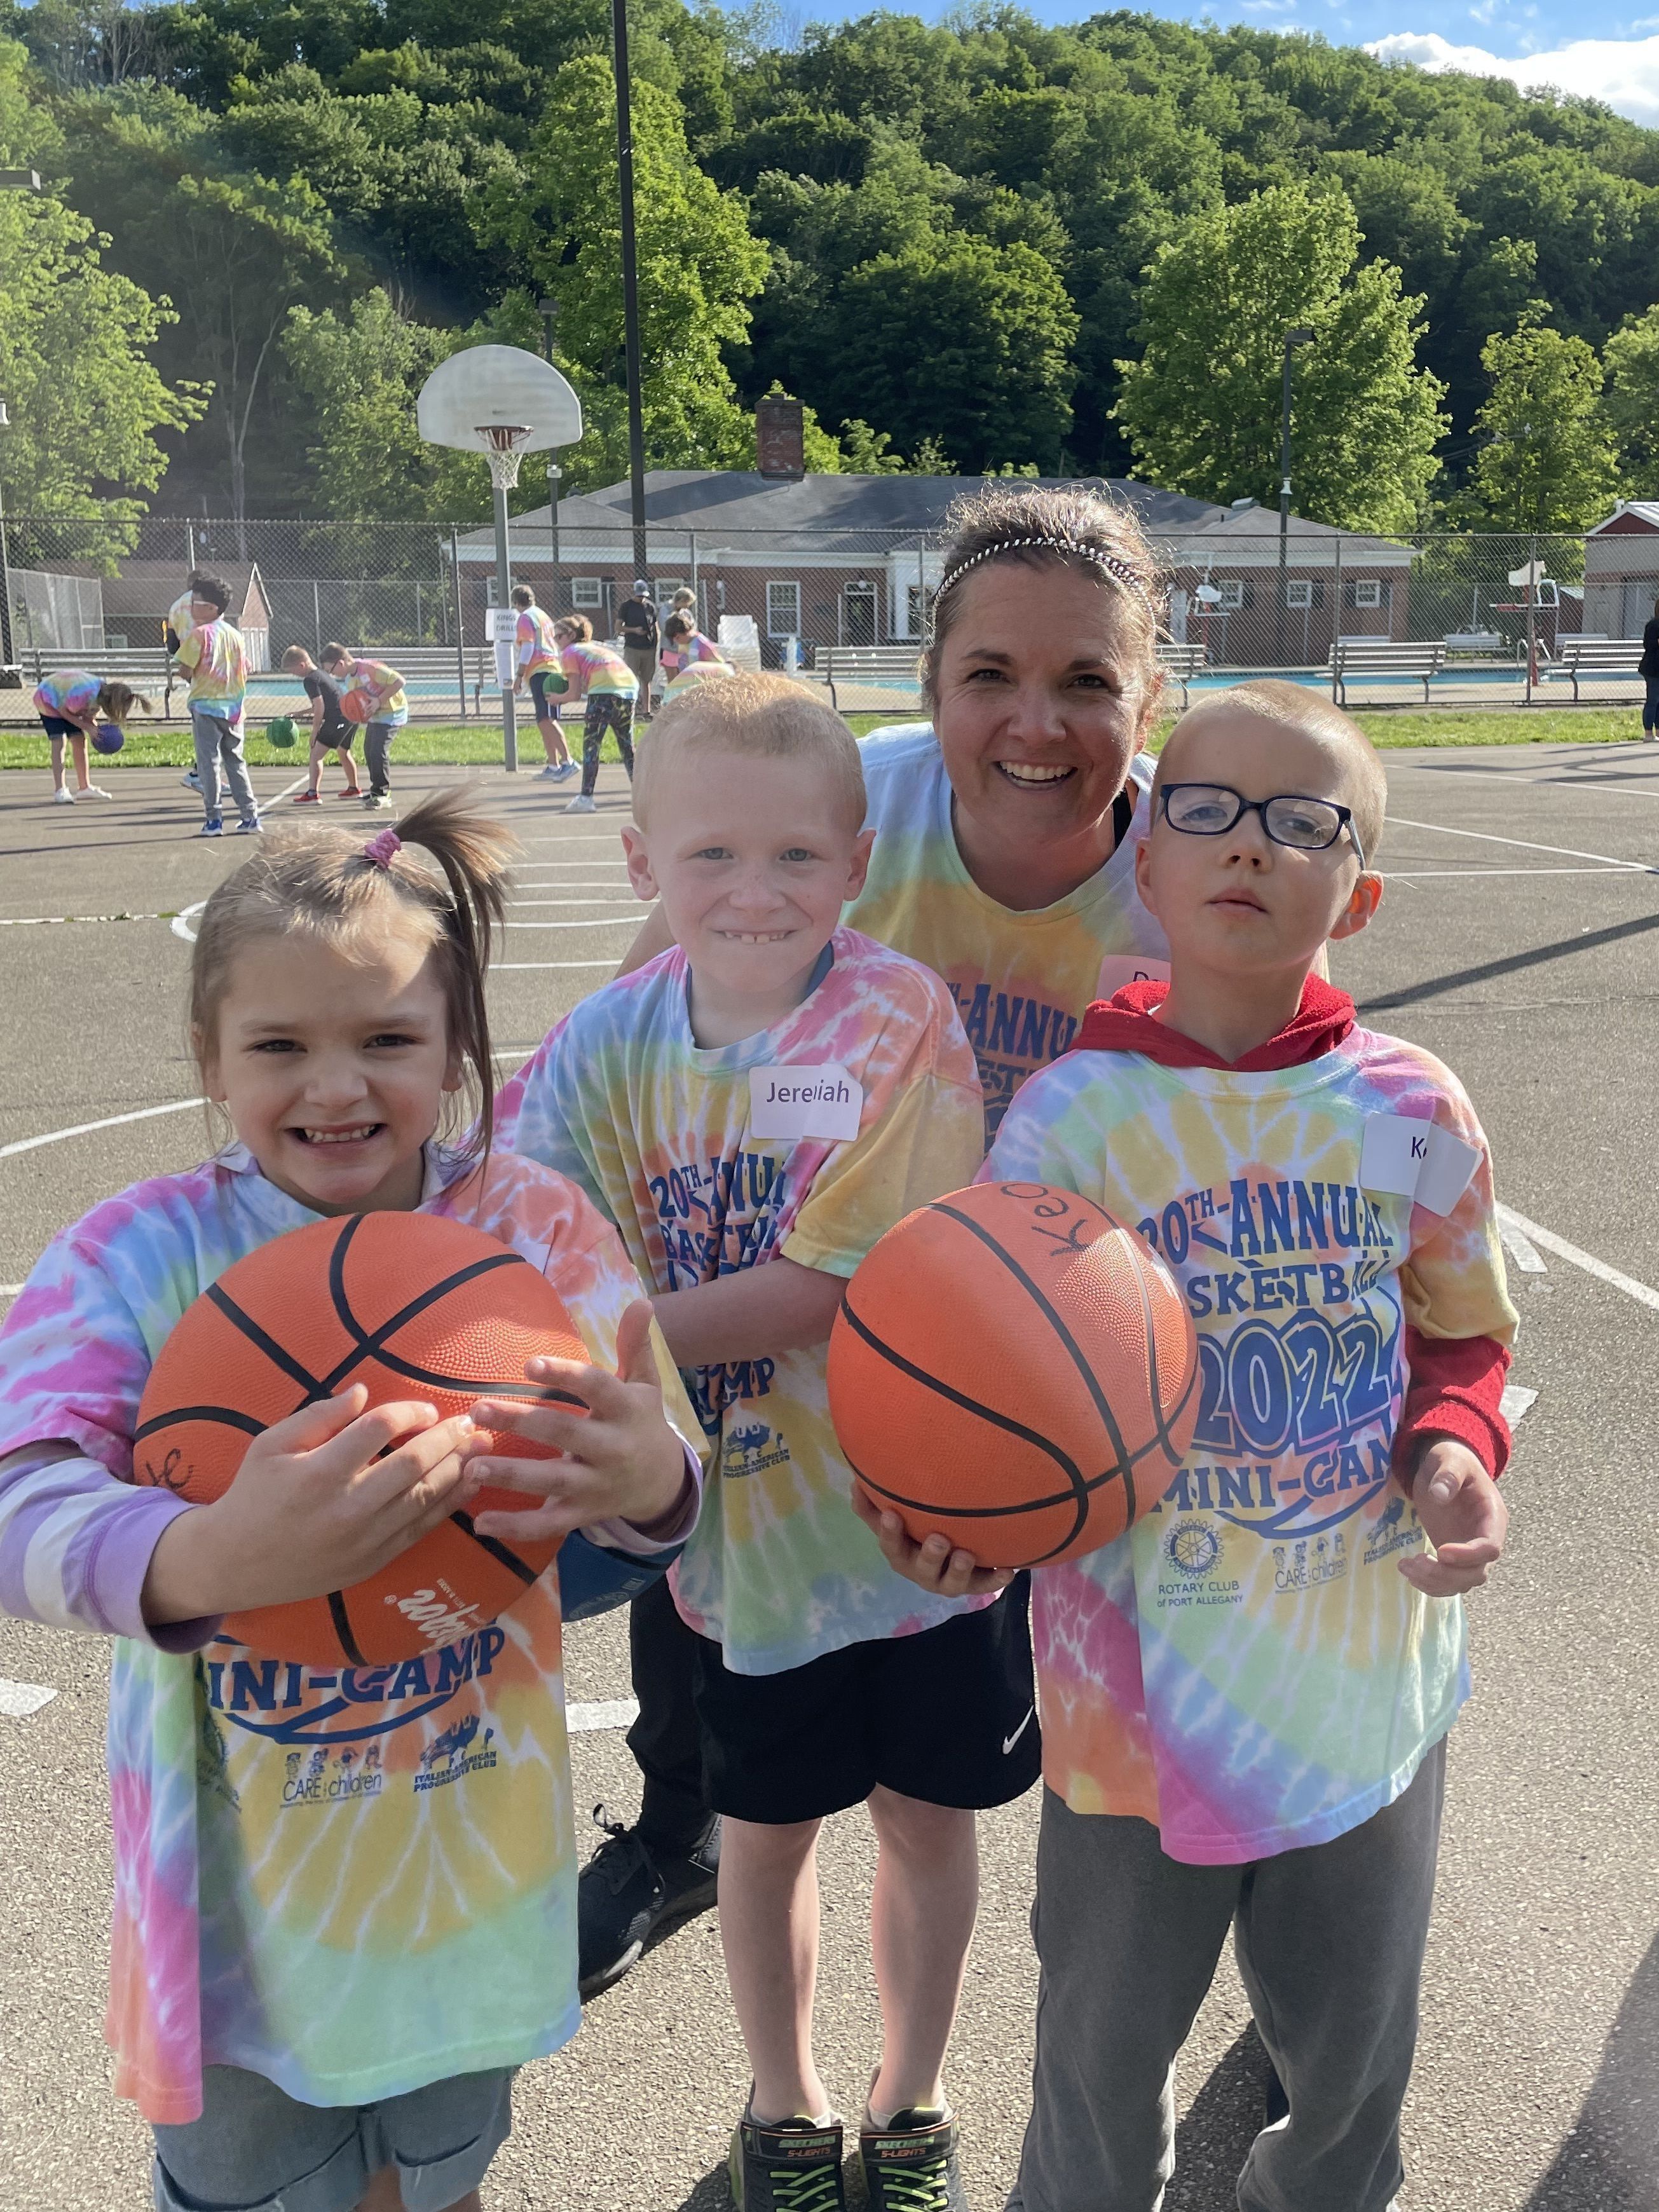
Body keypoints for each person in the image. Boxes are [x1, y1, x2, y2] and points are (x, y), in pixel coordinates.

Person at [0, 791, 705, 2212]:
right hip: (245, 1905)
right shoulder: (141, 1253)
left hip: (464, 1876)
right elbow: (18, 1501)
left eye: (386, 1040)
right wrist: (210, 1552)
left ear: (455, 1055)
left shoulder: (531, 1230)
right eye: (281, 1047)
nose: (336, 1089)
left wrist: (653, 1484)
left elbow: (653, 1480)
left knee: (437, 2177)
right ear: (210, 1061)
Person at [868, 680, 1519, 2212]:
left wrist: (1449, 1444)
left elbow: (1462, 1329)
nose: (1246, 845)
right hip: (1129, 1720)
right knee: (1093, 2078)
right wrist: (941, 1509)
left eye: (1303, 821)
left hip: (1361, 1701)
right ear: (1143, 864)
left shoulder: (1408, 1108)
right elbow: (979, 1369)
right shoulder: (1070, 1120)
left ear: (1351, 894)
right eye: (1204, 809)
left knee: (1350, 2074)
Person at [584, 484, 1177, 1993]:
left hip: (1030, 1339)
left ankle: (1254, 1900)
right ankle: (676, 1835)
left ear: (1147, 692)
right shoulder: (852, 820)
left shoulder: (1191, 872)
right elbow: (645, 1012)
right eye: (989, 674)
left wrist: (1003, 1469)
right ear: (930, 686)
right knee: (701, 1608)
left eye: (1086, 680)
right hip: (769, 1311)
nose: (1033, 723)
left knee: (962, 1732)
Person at [496, 676, 1020, 2212]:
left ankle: (907, 2103)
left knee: (927, 1826)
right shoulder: (598, 1049)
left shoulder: (896, 1018)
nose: (752, 891)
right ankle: (784, 2109)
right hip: (739, 1556)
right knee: (762, 1842)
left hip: (925, 1530)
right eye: (709, 854)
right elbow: (526, 1254)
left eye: (794, 857)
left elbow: (842, 1284)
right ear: (639, 858)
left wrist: (618, 1335)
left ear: (855, 863)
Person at [176, 574, 257, 839]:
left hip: (206, 707)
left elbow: (185, 671)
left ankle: (214, 820)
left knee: (209, 764)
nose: (190, 608)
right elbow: (247, 668)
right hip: (234, 709)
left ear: (211, 608)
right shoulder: (236, 635)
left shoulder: (199, 635)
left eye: (196, 603)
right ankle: (250, 815)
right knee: (236, 761)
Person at [554, 615, 638, 817]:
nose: (556, 641)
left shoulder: (570, 652)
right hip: (628, 691)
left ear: (571, 635)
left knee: (592, 746)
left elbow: (573, 694)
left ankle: (586, 798)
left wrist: (556, 698)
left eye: (559, 637)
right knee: (627, 746)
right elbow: (587, 684)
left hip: (604, 694)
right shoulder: (596, 649)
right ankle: (643, 794)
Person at [33, 671, 149, 804]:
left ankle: (84, 787)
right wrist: (88, 728)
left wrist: (94, 729)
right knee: (59, 741)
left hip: (66, 701)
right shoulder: (82, 696)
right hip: (49, 699)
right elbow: (64, 712)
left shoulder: (99, 695)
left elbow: (87, 715)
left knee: (79, 740)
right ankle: (60, 789)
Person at [319, 644, 408, 811]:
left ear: (341, 663)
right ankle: (376, 791)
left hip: (393, 713)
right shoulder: (350, 680)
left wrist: (379, 701)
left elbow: (399, 681)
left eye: (331, 670)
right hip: (377, 715)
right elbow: (360, 702)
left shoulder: (370, 668)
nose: (332, 675)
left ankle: (383, 794)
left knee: (378, 751)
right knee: (369, 749)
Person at [509, 584, 575, 781]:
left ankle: (568, 762)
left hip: (542, 670)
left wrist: (519, 674)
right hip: (550, 668)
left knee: (547, 719)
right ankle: (553, 765)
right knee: (543, 720)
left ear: (515, 603)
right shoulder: (543, 616)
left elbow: (528, 646)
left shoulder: (525, 617)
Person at [282, 645, 362, 803]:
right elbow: (320, 704)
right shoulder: (321, 675)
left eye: (293, 671)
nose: (294, 675)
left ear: (302, 665)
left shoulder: (310, 680)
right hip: (350, 717)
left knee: (315, 755)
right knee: (343, 752)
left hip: (338, 719)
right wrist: (298, 714)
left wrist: (315, 731)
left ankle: (313, 794)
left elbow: (320, 706)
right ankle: (354, 789)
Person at [617, 576, 660, 717]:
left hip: (649, 649)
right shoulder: (626, 606)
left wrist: (656, 644)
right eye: (639, 595)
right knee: (631, 679)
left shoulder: (650, 607)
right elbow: (618, 627)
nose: (641, 598)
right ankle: (629, 711)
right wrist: (634, 630)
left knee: (646, 681)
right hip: (633, 649)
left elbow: (655, 626)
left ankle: (646, 711)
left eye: (643, 596)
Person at [659, 610, 727, 692]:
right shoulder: (684, 643)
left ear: (685, 631)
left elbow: (721, 667)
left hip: (703, 690)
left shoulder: (702, 644)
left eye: (677, 638)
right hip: (688, 689)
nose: (676, 642)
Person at [1641, 592, 1659, 741]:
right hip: (1653, 669)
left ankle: (1658, 731)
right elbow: (1648, 644)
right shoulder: (1653, 625)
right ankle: (1648, 732)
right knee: (1653, 700)